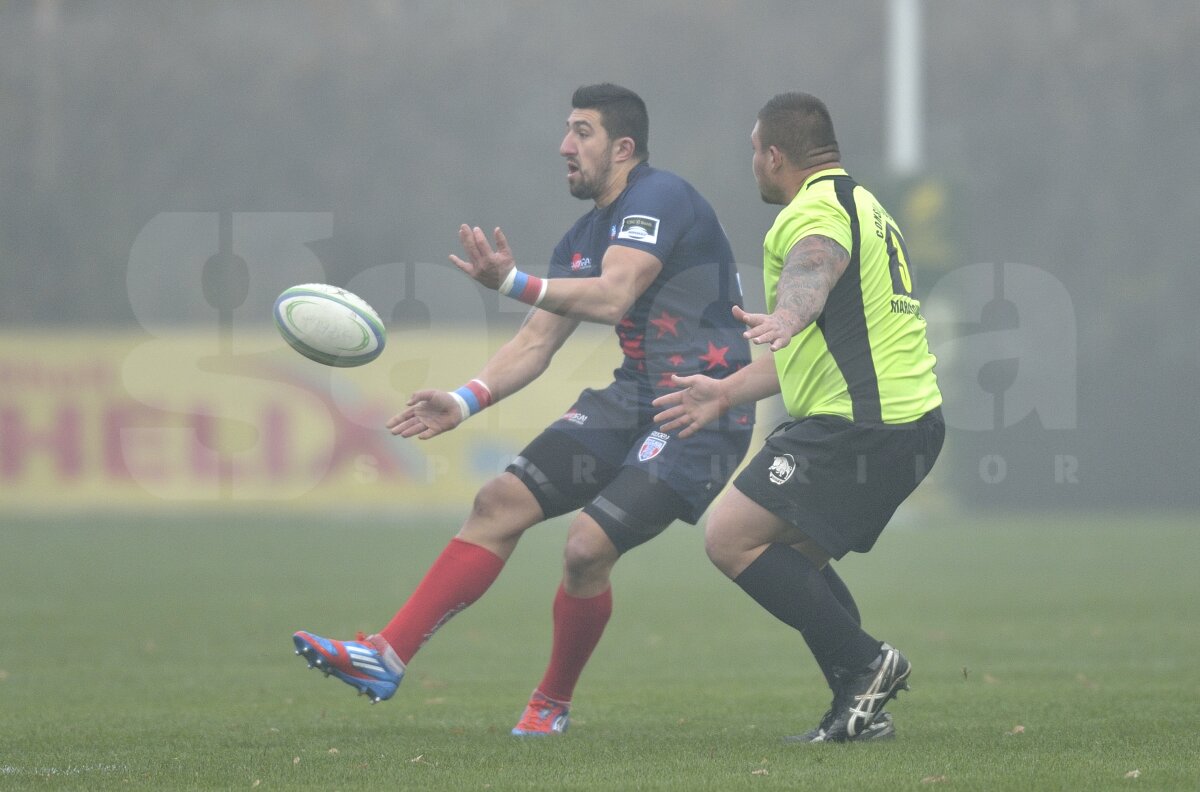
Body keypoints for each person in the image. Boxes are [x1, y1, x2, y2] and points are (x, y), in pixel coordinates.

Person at [292, 83, 755, 736]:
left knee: (585, 548)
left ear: (623, 147)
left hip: (702, 409)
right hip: (631, 399)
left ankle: (550, 703)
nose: (565, 146)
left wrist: (511, 280)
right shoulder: (582, 236)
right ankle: (384, 655)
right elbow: (536, 341)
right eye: (567, 130)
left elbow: (614, 295)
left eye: (583, 132)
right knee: (496, 503)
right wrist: (462, 399)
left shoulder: (660, 197)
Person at [653, 92, 944, 743]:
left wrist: (789, 311)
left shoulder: (812, 210)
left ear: (774, 154)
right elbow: (810, 351)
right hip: (902, 423)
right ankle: (860, 711)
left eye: (754, 151)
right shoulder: (864, 203)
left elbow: (815, 260)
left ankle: (869, 666)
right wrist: (727, 392)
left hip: (862, 425)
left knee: (729, 537)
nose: (752, 164)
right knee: (790, 555)